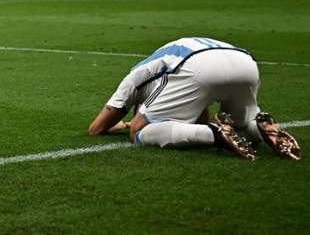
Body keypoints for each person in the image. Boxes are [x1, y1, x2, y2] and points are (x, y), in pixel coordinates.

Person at [88, 37, 301, 162]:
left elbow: (96, 128)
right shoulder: (164, 73)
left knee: (138, 131)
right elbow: (198, 115)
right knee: (243, 126)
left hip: (198, 66)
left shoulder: (134, 78)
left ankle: (215, 134)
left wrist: (127, 124)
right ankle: (259, 126)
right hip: (245, 62)